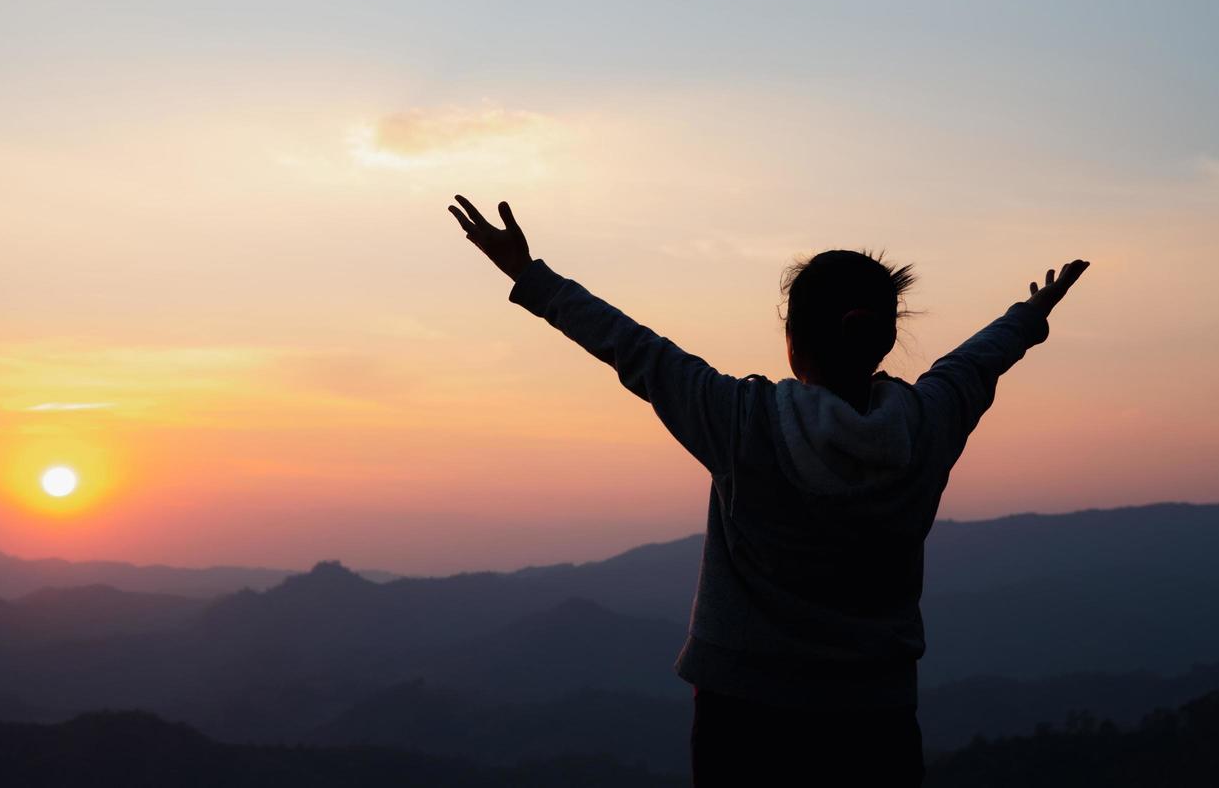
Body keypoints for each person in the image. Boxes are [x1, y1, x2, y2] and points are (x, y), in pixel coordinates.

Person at [447, 194, 1090, 787]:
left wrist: (528, 276)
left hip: (743, 719)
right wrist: (1028, 317)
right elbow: (975, 363)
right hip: (876, 718)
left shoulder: (740, 420)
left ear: (794, 337)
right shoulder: (927, 425)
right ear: (885, 336)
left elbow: (634, 348)